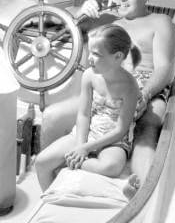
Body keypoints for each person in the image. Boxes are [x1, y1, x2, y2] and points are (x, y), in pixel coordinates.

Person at [40, 0, 175, 193]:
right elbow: (64, 22)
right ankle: (54, 179)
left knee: (149, 125)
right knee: (52, 116)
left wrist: (145, 93)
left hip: (146, 88)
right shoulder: (109, 21)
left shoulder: (160, 22)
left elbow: (164, 68)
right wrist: (84, 9)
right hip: (106, 88)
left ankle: (143, 186)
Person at [35, 24, 143, 191]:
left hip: (113, 139)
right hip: (86, 132)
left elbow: (121, 130)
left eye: (96, 54)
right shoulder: (89, 76)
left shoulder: (130, 86)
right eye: (90, 52)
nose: (90, 58)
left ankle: (69, 165)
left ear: (117, 57)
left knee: (111, 167)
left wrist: (85, 149)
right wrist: (80, 144)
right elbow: (84, 115)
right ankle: (49, 199)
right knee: (41, 163)